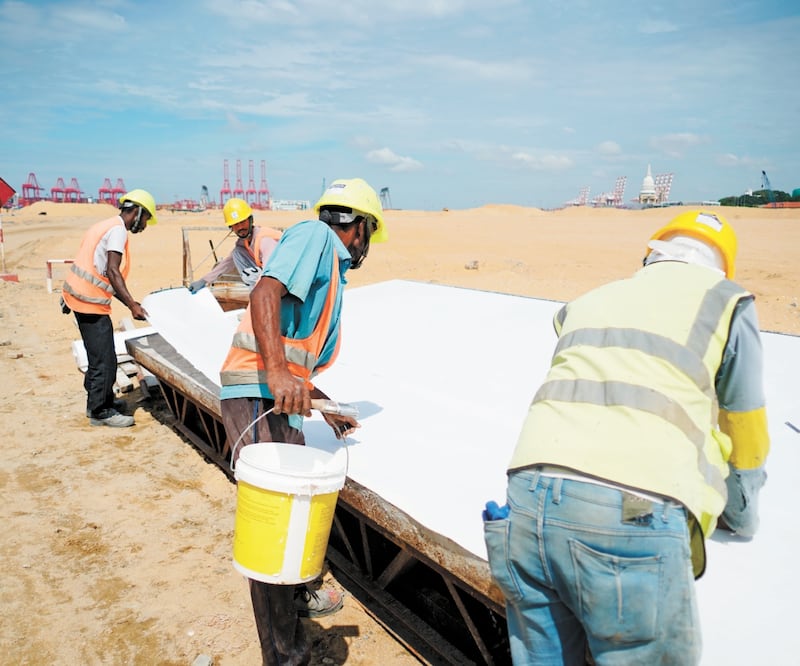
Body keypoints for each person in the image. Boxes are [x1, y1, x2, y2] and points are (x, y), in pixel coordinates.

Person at [483, 210, 770, 665]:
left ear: (652, 254)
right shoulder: (726, 301)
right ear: (721, 267)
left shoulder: (592, 299)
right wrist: (741, 511)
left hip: (528, 496)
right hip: (631, 510)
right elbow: (745, 425)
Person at [219, 178, 387, 665]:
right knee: (274, 527)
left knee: (287, 518)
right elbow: (264, 295)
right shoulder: (316, 237)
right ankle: (286, 656)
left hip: (270, 394)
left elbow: (292, 348)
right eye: (369, 233)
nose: (365, 244)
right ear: (359, 227)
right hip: (257, 393)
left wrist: (321, 400)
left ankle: (294, 612)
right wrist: (275, 373)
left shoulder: (325, 259)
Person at [61, 189, 158, 427]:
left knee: (102, 356)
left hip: (79, 296)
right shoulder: (117, 231)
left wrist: (129, 303)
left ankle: (102, 400)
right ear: (137, 212)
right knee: (103, 360)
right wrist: (133, 304)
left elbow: (97, 267)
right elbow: (113, 272)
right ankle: (100, 411)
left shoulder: (105, 225)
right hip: (89, 302)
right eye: (145, 219)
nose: (144, 225)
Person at [188, 197, 281, 293]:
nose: (240, 227)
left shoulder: (265, 240)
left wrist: (258, 296)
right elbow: (227, 263)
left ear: (251, 220)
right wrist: (204, 280)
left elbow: (270, 272)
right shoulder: (243, 243)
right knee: (236, 253)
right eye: (236, 224)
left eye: (242, 222)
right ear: (231, 227)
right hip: (271, 280)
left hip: (285, 279)